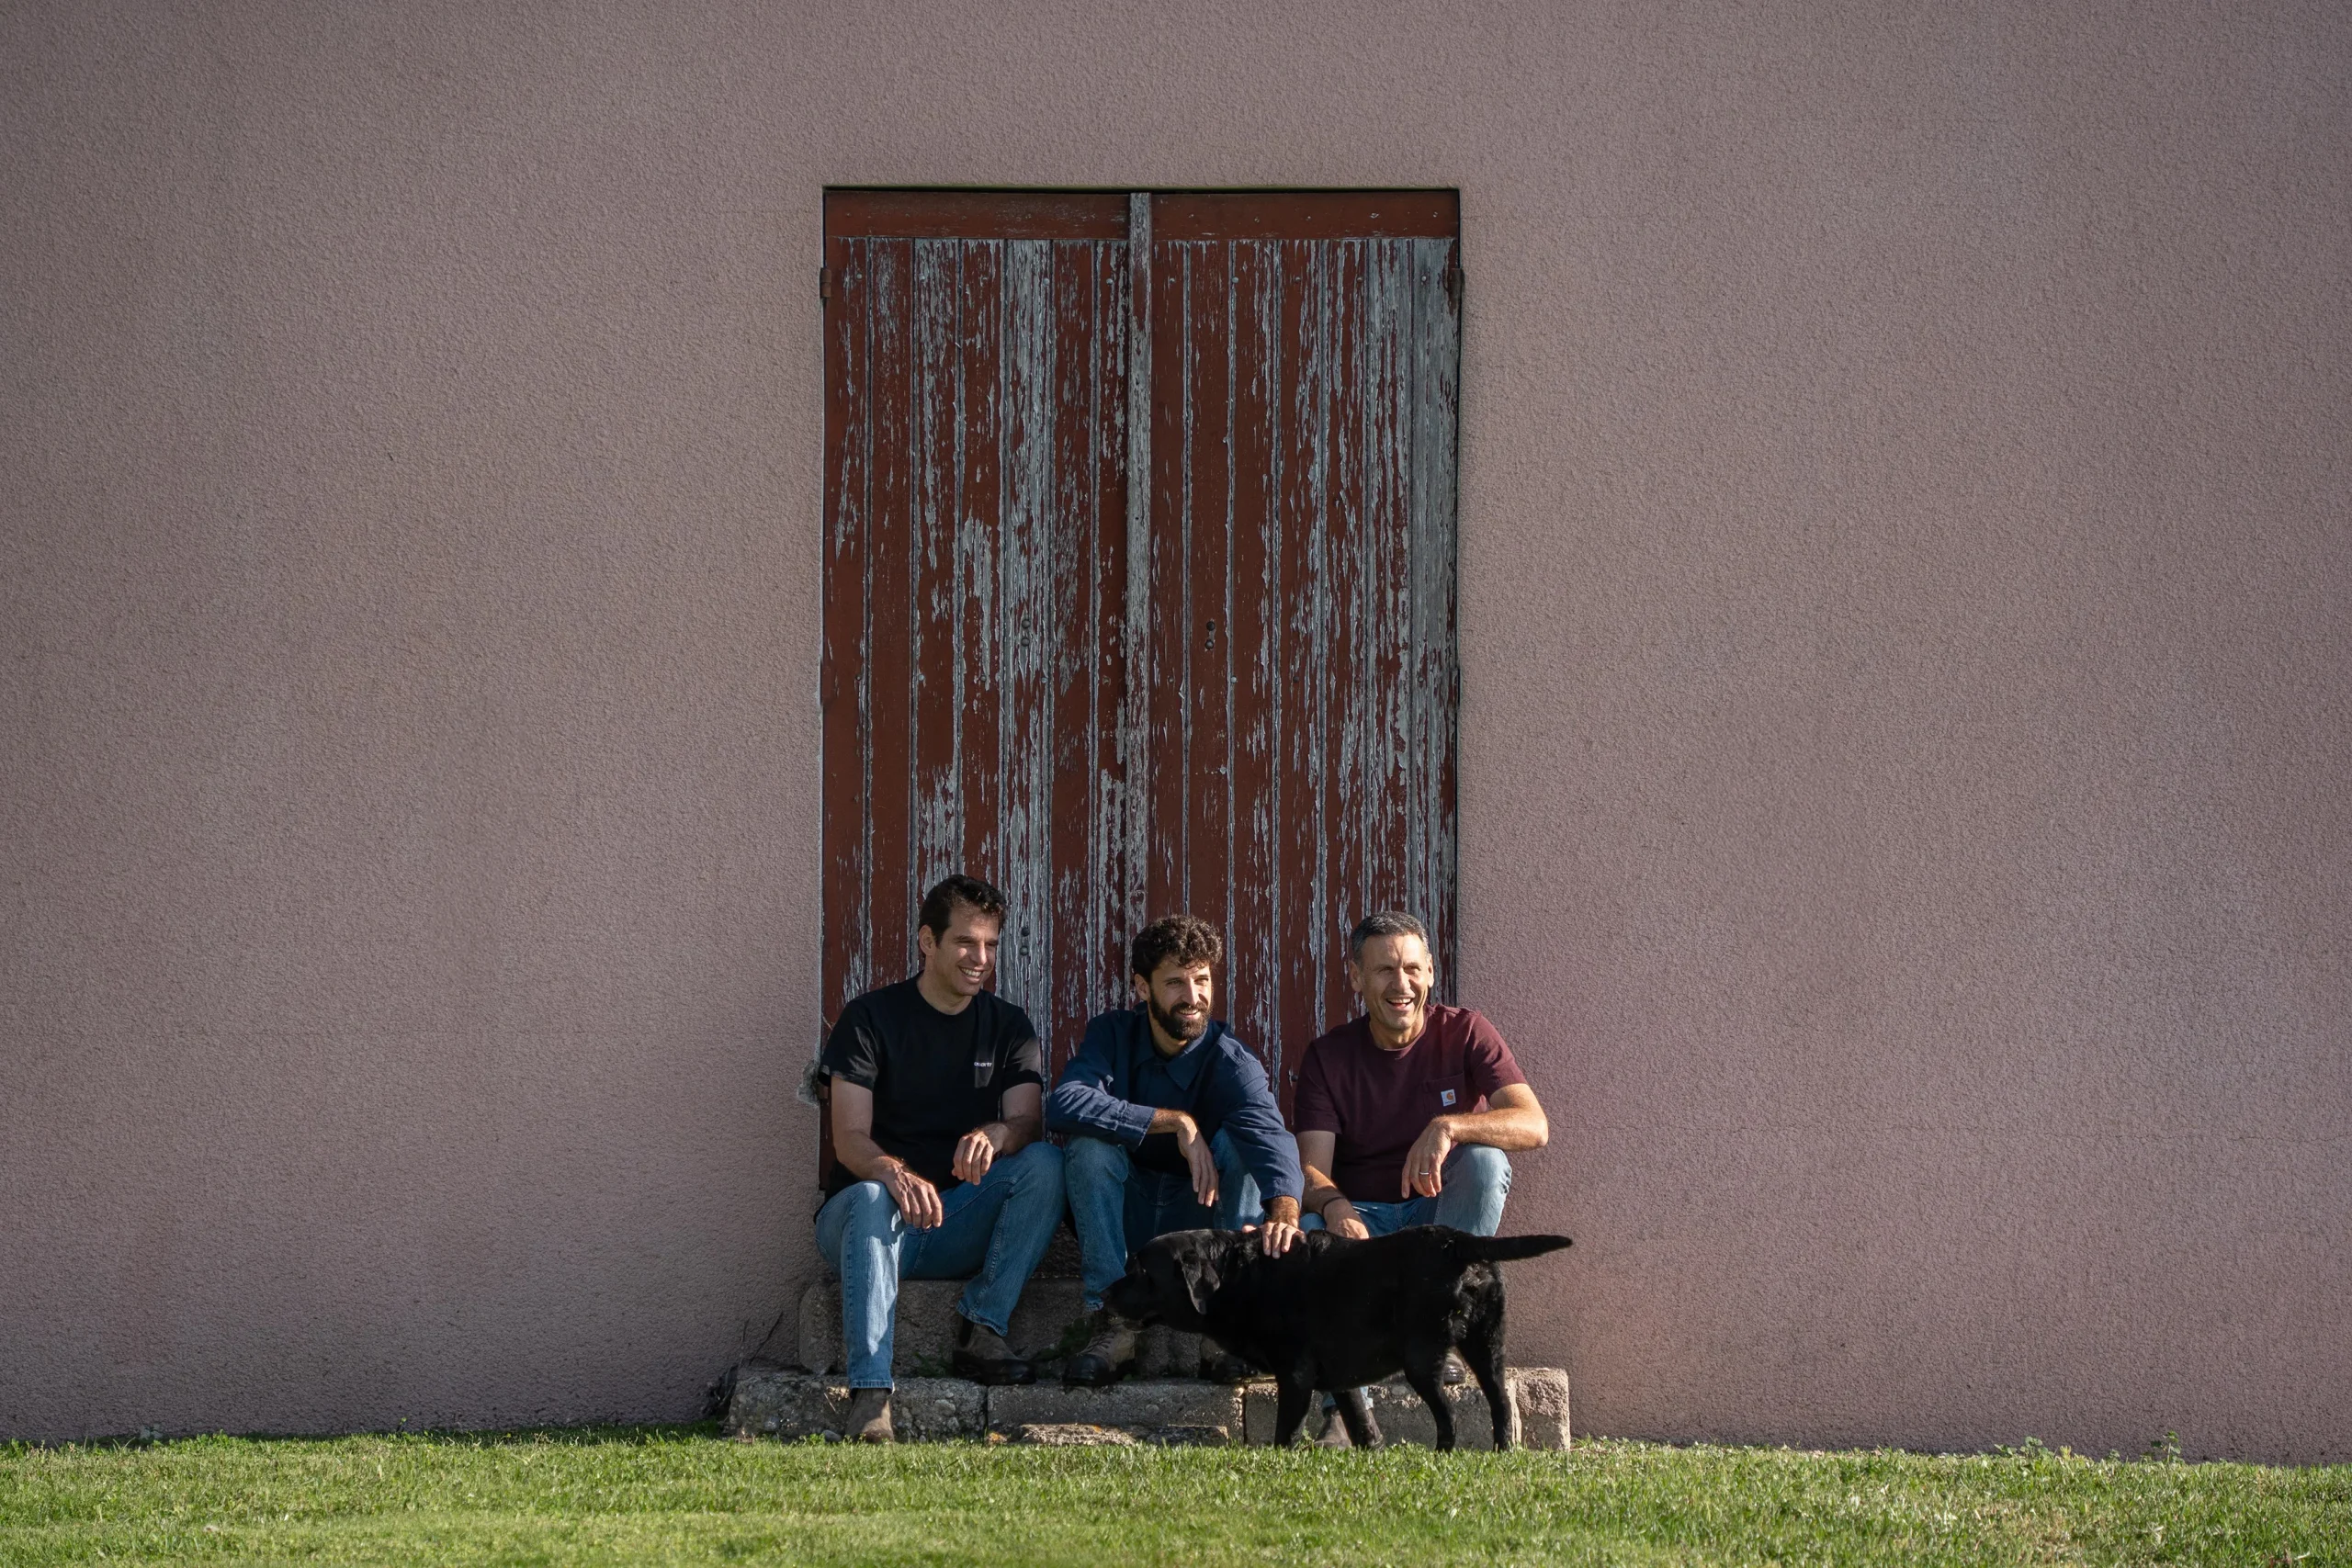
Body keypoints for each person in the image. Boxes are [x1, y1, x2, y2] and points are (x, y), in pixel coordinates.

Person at [814, 874, 1066, 1442]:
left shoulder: (1008, 1026)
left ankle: (982, 1328)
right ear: (928, 941)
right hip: (865, 1225)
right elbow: (849, 1138)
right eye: (965, 943)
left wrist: (998, 1134)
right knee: (874, 1194)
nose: (981, 959)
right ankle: (871, 1396)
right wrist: (893, 1172)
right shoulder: (870, 1018)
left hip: (955, 1218)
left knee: (1047, 1165)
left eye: (991, 945)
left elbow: (1028, 1123)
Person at [1293, 910, 1549, 1441]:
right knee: (1313, 1229)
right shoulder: (1328, 1057)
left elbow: (1533, 1125)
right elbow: (1311, 1169)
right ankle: (1344, 1413)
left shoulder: (1466, 1031)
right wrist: (1336, 1207)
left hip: (1436, 1226)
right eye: (1384, 970)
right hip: (1362, 1228)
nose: (1401, 984)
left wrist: (1450, 1125)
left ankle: (1436, 1330)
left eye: (1412, 968)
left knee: (1485, 1162)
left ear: (1431, 972)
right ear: (1357, 977)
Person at [1047, 914, 1304, 1387]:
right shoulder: (1112, 1034)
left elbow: (1272, 1139)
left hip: (1199, 1222)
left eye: (1202, 980)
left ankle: (1227, 1327)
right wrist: (1174, 1123)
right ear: (1142, 988)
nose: (1192, 996)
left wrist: (1285, 1214)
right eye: (1175, 983)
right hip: (1128, 1216)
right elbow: (1065, 1103)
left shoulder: (1231, 1059)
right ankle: (1113, 1321)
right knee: (1089, 1147)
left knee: (1242, 1145)